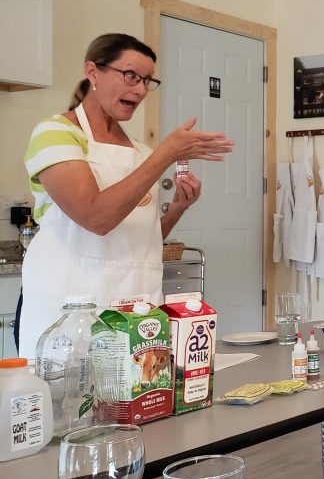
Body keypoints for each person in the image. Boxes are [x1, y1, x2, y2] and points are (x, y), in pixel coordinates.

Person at [18, 33, 234, 358]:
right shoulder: (55, 133)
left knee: (139, 402)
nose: (140, 89)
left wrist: (177, 207)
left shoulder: (140, 152)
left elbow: (139, 240)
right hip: (70, 309)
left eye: (147, 80)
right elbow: (96, 217)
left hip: (137, 313)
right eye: (131, 75)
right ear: (93, 71)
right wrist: (164, 156)